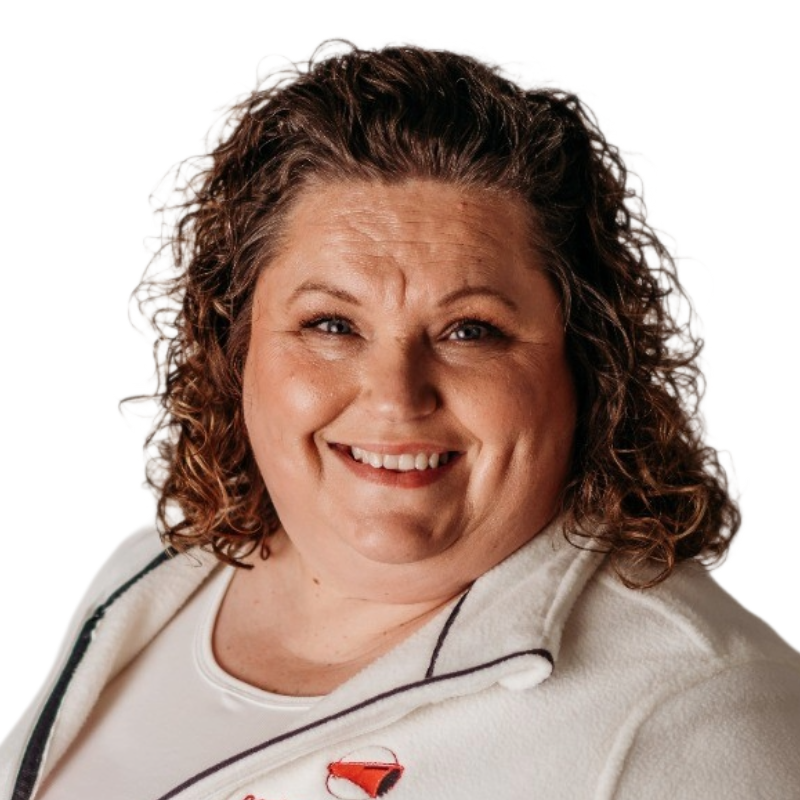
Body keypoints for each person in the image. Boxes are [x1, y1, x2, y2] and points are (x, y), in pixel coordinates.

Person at [2, 43, 799, 800]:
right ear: (234, 346)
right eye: (330, 325)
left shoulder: (702, 711)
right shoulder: (155, 576)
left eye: (470, 331)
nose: (394, 396)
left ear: (591, 362)